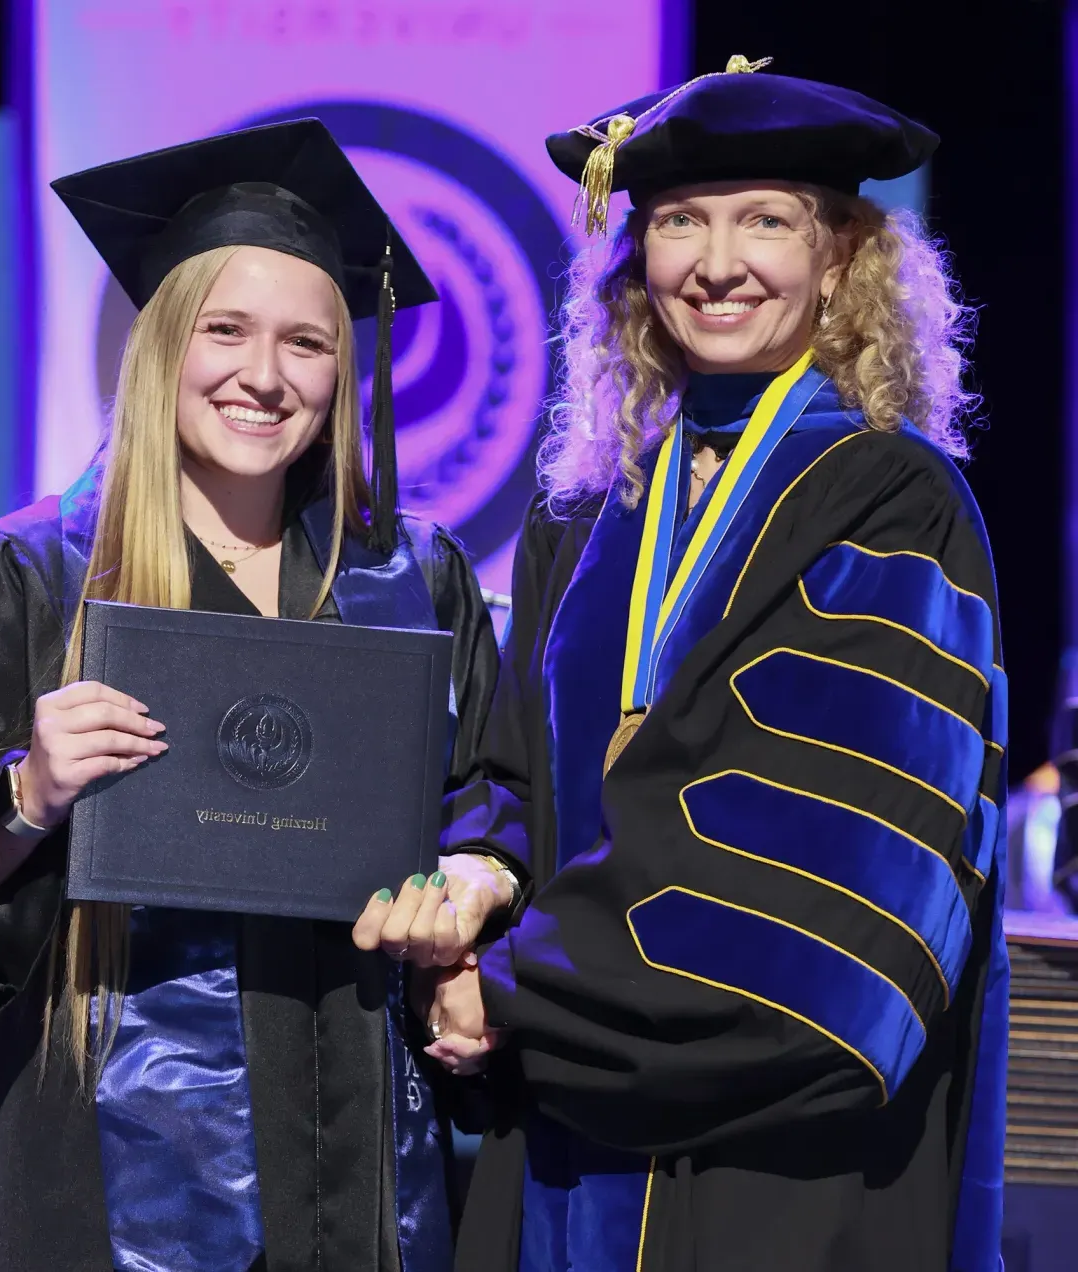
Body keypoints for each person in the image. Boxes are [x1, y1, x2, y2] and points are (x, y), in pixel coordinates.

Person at [0, 120, 506, 1272]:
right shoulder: (20, 578)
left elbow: (495, 789)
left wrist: (478, 887)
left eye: (307, 343)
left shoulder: (413, 580)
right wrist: (25, 794)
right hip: (94, 1147)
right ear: (157, 347)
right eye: (224, 331)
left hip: (361, 1121)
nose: (265, 376)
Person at [393, 58, 1008, 1272]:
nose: (715, 262)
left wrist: (515, 994)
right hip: (573, 1114)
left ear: (841, 258)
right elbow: (520, 773)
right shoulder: (589, 511)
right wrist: (479, 874)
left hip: (779, 1151)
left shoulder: (890, 502)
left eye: (764, 220)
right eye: (679, 221)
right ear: (636, 264)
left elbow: (827, 853)